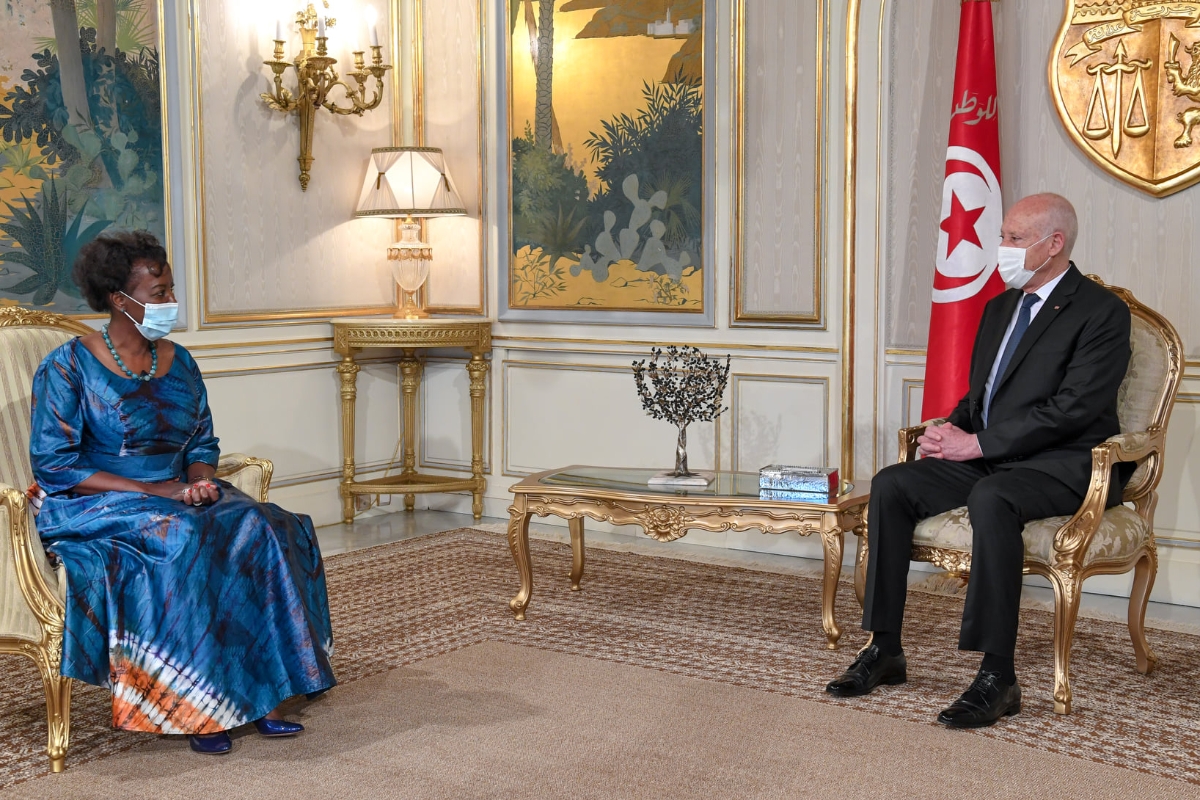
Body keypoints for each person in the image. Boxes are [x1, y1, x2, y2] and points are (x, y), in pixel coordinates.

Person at [826, 193, 1131, 728]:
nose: (1002, 248)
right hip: (989, 453)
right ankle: (885, 647)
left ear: (1053, 243)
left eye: (1014, 238)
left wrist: (979, 446)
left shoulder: (1102, 312)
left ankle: (998, 676)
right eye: (1003, 236)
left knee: (993, 497)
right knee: (892, 484)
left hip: (1061, 463)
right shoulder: (999, 308)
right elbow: (981, 397)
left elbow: (1071, 410)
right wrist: (952, 431)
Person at [29, 231, 336, 755]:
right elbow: (56, 464)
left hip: (177, 489)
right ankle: (195, 706)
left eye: (171, 290)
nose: (170, 303)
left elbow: (203, 440)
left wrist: (197, 480)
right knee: (180, 538)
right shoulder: (67, 367)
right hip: (92, 499)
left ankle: (263, 693)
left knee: (263, 525)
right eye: (158, 294)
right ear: (116, 299)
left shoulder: (181, 361)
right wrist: (158, 491)